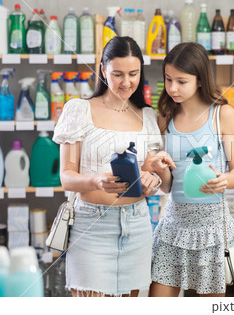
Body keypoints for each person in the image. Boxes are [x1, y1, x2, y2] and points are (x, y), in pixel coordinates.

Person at [52, 36, 165, 297]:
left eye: (133, 74)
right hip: (91, 227)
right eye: (117, 74)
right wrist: (96, 181)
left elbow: (151, 171)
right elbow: (67, 177)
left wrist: (152, 180)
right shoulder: (78, 110)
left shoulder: (147, 116)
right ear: (103, 70)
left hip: (137, 225)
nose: (126, 82)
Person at [148, 42, 234, 297]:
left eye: (182, 81)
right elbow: (168, 185)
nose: (173, 88)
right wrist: (161, 170)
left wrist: (224, 180)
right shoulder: (165, 118)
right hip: (173, 225)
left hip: (212, 229)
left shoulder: (223, 114)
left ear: (200, 80)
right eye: (168, 79)